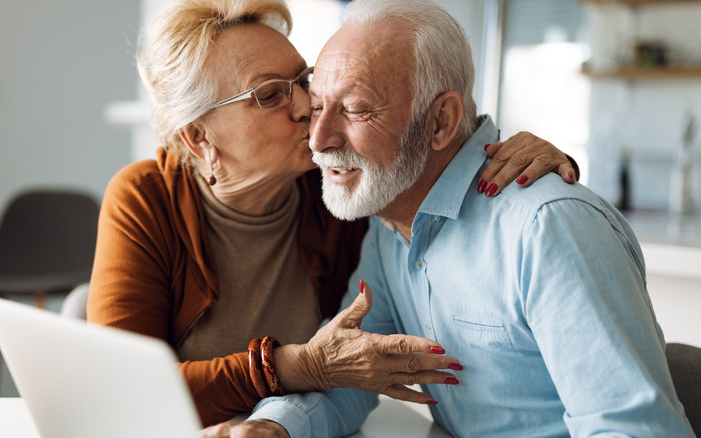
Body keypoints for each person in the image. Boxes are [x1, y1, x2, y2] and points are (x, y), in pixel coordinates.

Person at [87, 0, 579, 429]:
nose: (307, 108)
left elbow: (429, 146)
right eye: (270, 94)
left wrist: (514, 156)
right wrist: (296, 367)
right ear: (199, 137)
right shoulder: (146, 197)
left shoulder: (344, 185)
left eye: (302, 80)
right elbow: (120, 393)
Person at [232, 0, 695, 437]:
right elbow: (356, 368)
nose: (318, 138)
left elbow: (631, 429)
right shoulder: (389, 222)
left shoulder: (548, 228)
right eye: (316, 107)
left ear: (440, 122)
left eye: (355, 109)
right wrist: (275, 426)